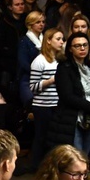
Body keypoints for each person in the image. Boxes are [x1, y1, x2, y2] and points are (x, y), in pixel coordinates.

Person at [48, 32, 90, 152]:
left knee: (86, 157)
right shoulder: (64, 68)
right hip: (71, 119)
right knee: (75, 156)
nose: (82, 48)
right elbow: (67, 96)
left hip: (88, 118)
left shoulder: (88, 66)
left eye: (85, 45)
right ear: (70, 49)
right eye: (77, 46)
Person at [30, 28, 64, 169]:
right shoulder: (39, 61)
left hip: (57, 104)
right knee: (41, 137)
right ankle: (36, 167)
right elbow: (33, 87)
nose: (62, 42)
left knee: (54, 138)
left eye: (62, 39)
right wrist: (51, 81)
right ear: (48, 41)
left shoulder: (60, 60)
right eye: (58, 39)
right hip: (43, 106)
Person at [17, 11, 45, 105]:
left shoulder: (45, 39)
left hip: (44, 78)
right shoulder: (24, 41)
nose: (41, 24)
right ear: (30, 25)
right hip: (28, 78)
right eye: (38, 22)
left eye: (43, 22)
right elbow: (23, 62)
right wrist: (37, 72)